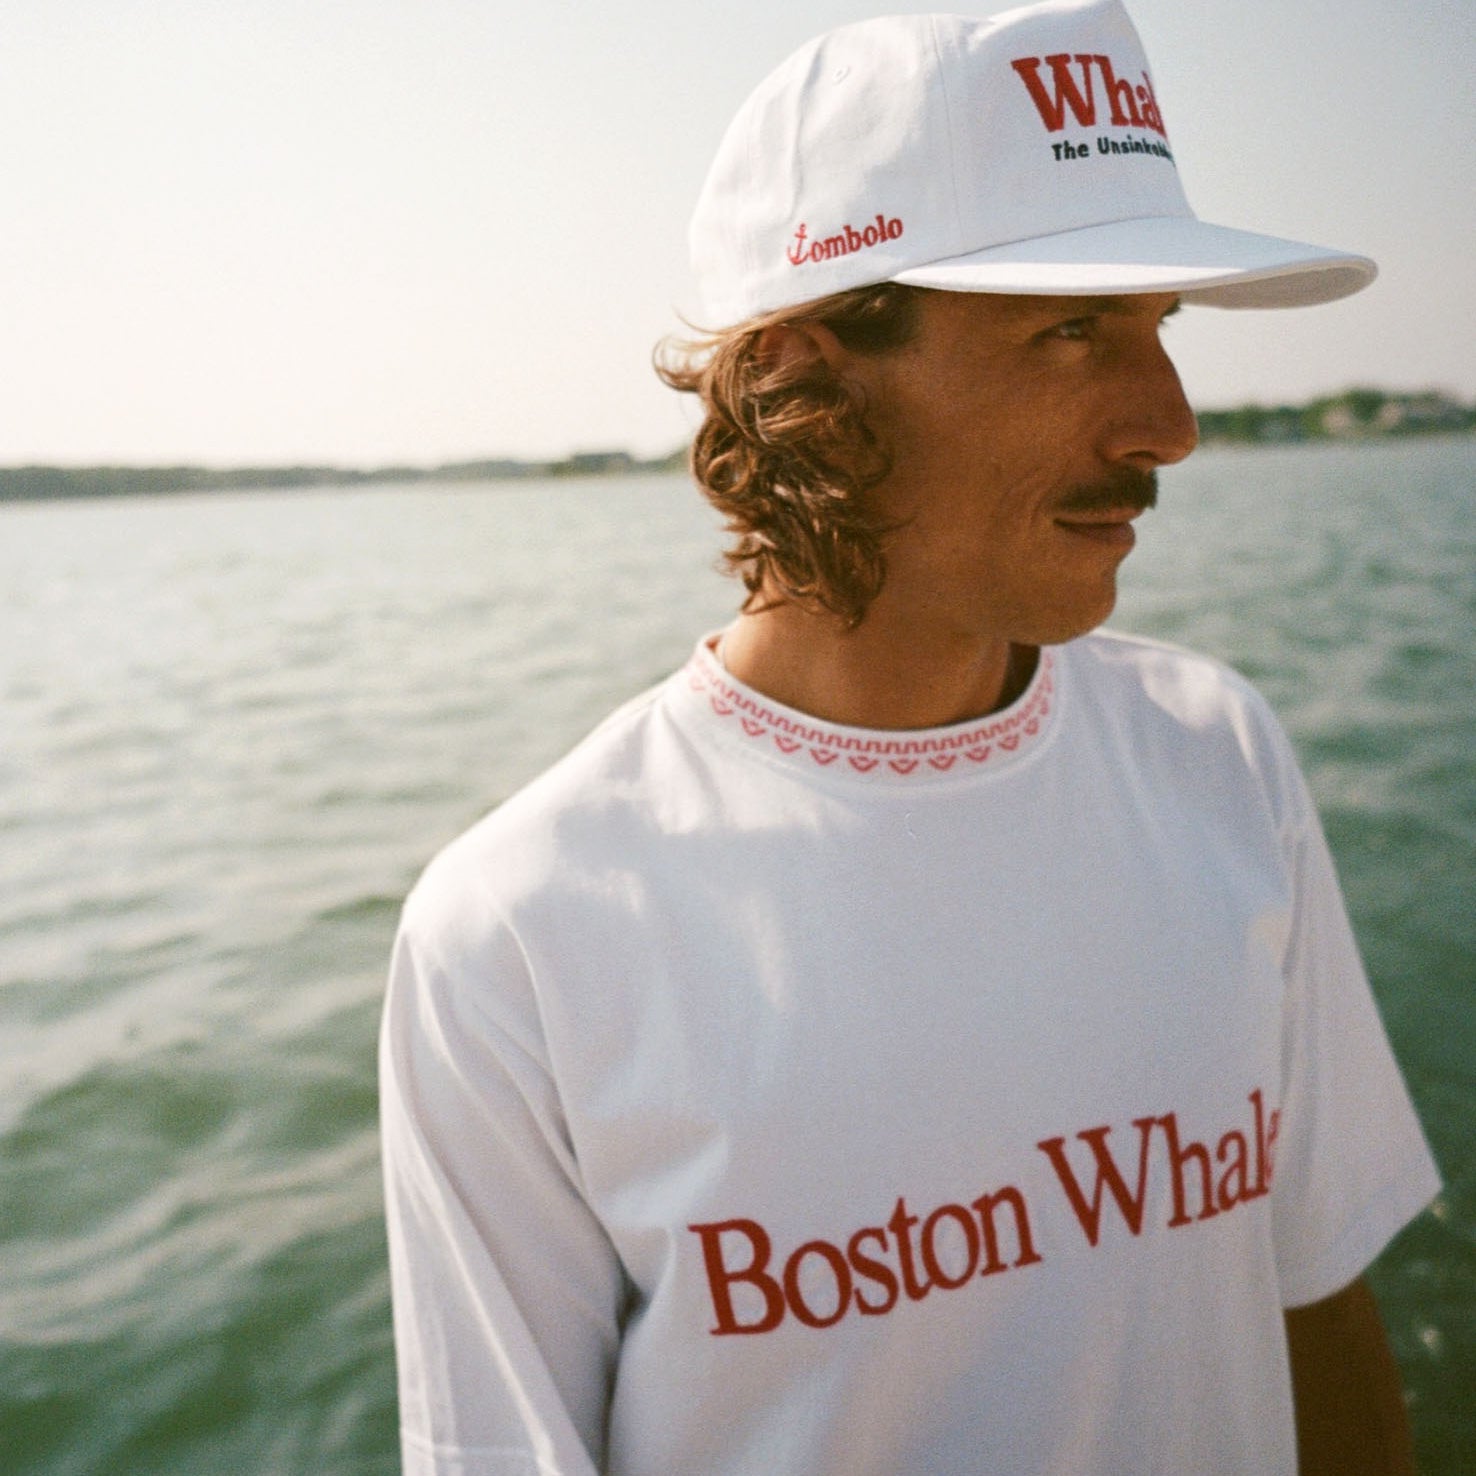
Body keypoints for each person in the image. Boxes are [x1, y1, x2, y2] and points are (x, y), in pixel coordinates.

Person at [379, 1, 1441, 1471]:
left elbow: (1316, 1306)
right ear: (810, 380)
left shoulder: (1220, 755)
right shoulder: (517, 938)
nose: (1171, 422)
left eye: (1158, 328)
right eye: (1071, 330)